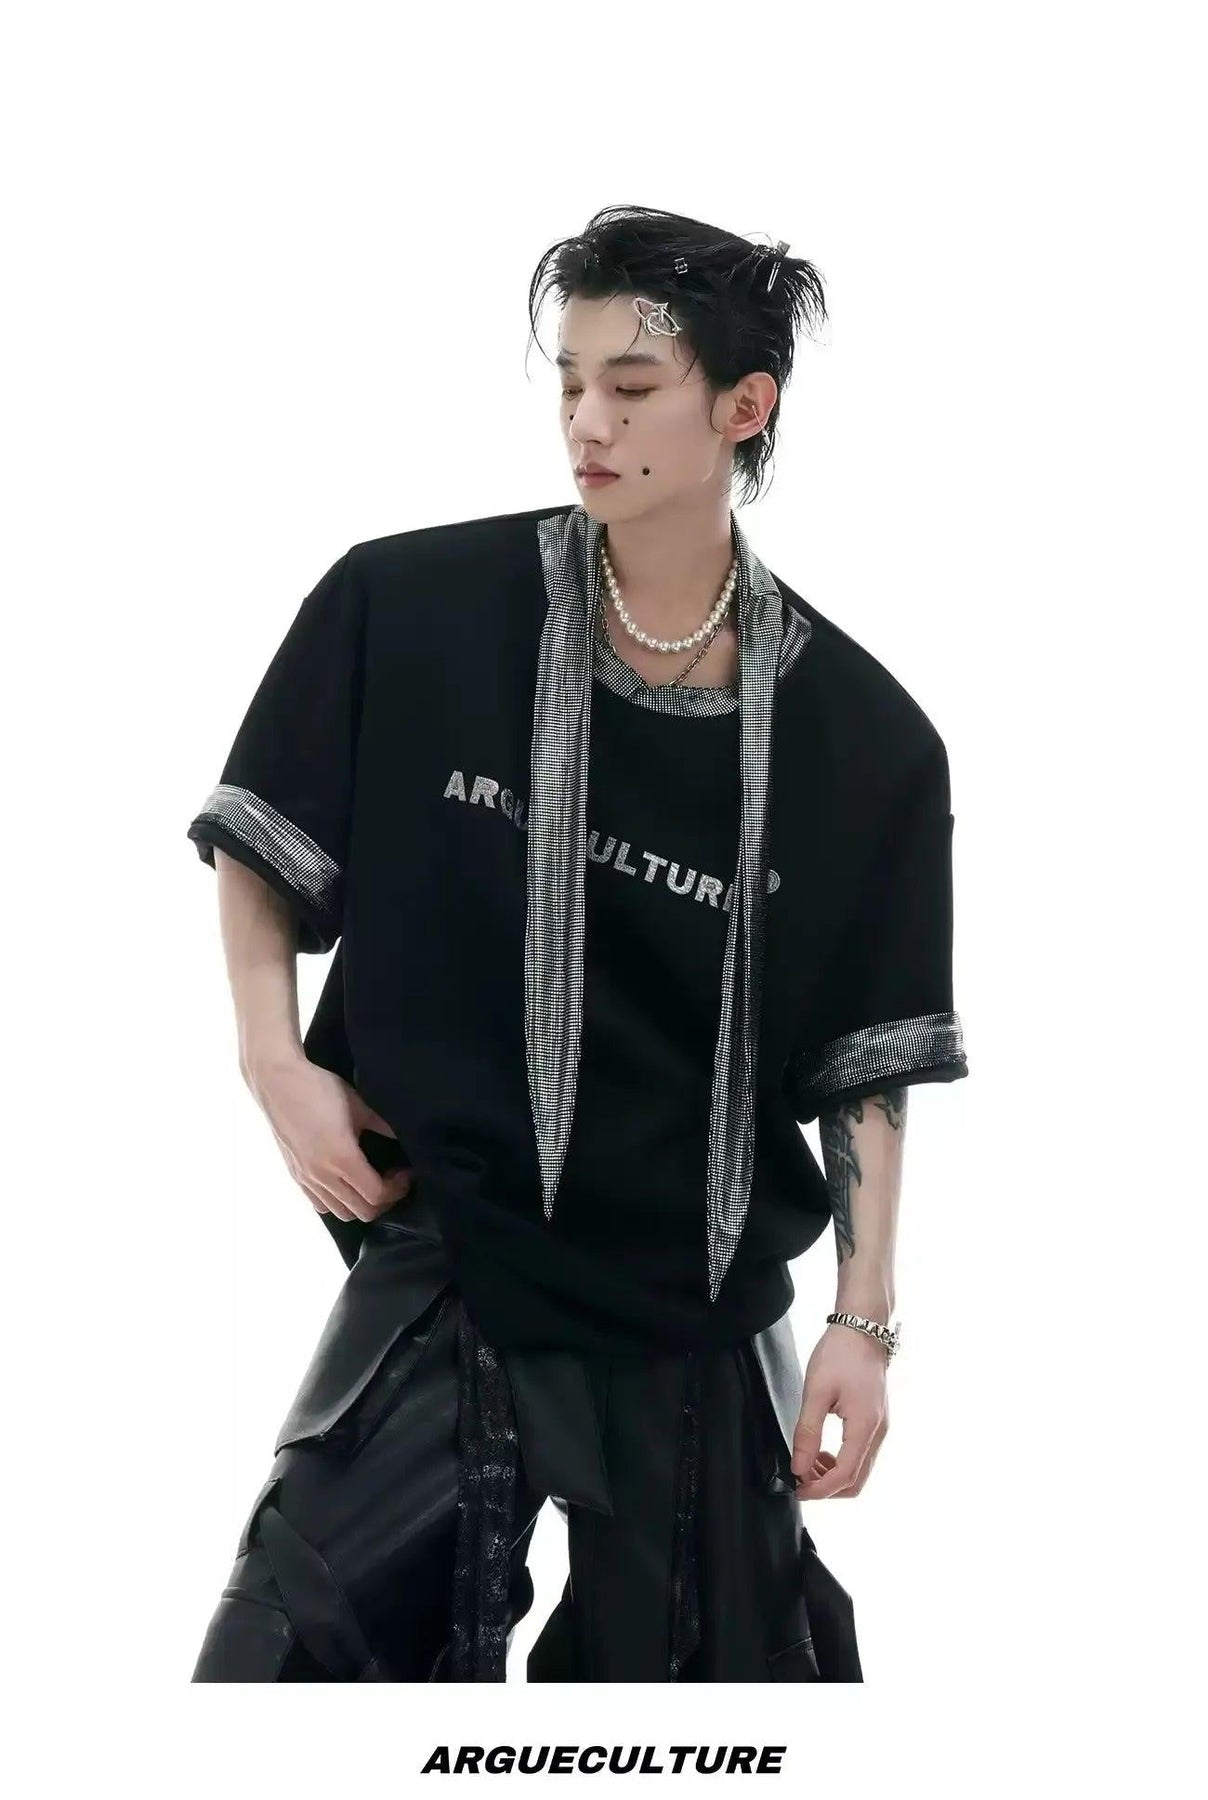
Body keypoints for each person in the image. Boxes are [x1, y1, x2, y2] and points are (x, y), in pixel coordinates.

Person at [185, 204, 969, 1683]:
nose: (586, 421)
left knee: (716, 1713)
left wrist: (863, 1322)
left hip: (694, 1302)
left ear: (744, 407)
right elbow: (264, 836)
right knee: (288, 1662)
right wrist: (270, 1057)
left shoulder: (865, 743)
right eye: (569, 380)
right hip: (454, 1248)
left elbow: (863, 1061)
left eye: (632, 385)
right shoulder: (409, 606)